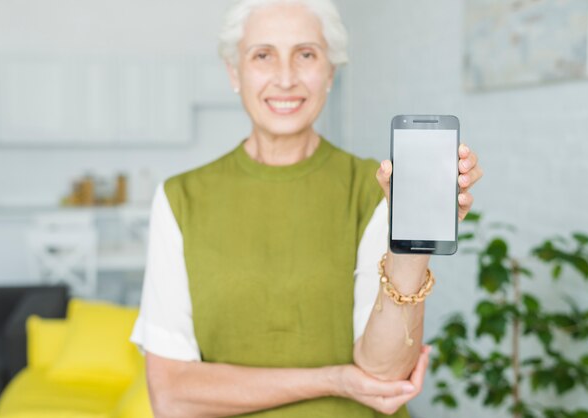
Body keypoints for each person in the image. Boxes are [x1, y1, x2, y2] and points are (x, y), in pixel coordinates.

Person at [130, 0, 483, 417]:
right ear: (233, 72)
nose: (285, 78)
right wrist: (333, 379)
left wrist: (411, 250)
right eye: (263, 55)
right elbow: (172, 397)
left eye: (306, 55)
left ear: (330, 72)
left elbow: (384, 376)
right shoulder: (180, 199)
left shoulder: (373, 188)